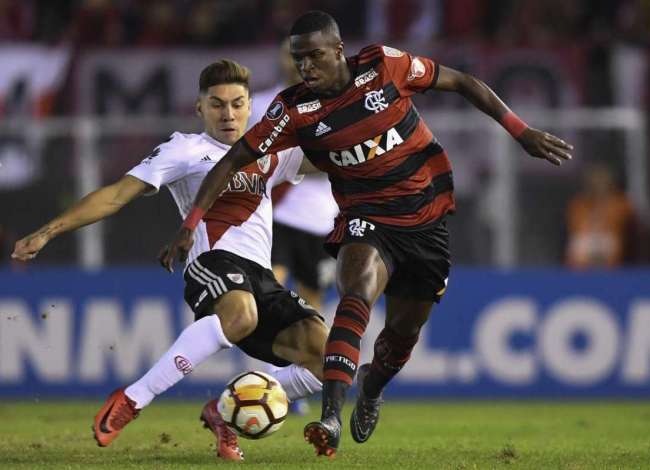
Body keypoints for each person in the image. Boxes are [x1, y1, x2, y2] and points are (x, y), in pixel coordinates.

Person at [160, 10, 573, 458]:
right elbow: (231, 161)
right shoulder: (293, 109)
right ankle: (331, 417)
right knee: (355, 294)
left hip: (425, 219)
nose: (306, 67)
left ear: (338, 50)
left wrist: (520, 131)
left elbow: (463, 82)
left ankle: (373, 387)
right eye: (299, 59)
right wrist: (189, 224)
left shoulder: (383, 66)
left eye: (315, 56)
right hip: (366, 216)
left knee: (402, 333)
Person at [12, 59, 329, 462]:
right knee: (241, 314)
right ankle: (133, 398)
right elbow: (115, 195)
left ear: (250, 106)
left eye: (237, 104)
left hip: (261, 277)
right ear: (199, 108)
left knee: (330, 358)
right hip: (212, 263)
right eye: (216, 104)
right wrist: (47, 232)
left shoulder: (268, 151)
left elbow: (334, 158)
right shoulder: (185, 149)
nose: (228, 114)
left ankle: (225, 411)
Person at [251, 39, 339, 417]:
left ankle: (295, 380)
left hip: (323, 220)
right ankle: (267, 378)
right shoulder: (261, 104)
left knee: (311, 303)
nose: (297, 63)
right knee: (269, 293)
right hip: (276, 215)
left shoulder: (334, 102)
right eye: (290, 55)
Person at [565, 163, 636, 268]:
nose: (599, 183)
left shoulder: (621, 203)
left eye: (602, 179)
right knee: (581, 245)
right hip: (585, 245)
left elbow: (624, 225)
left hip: (610, 245)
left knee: (609, 243)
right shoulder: (579, 204)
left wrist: (604, 204)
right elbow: (576, 230)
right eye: (595, 179)